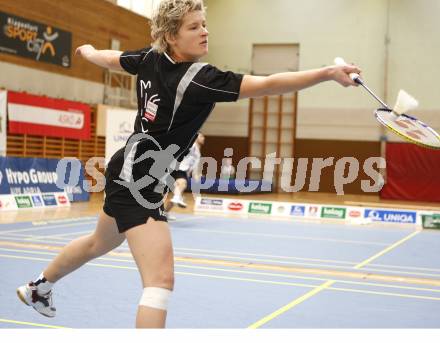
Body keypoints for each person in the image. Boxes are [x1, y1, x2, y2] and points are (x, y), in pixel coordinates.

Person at [16, 0, 360, 328]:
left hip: (127, 168)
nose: (205, 31)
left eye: (205, 24)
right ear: (171, 36)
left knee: (99, 243)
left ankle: (38, 287)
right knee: (159, 281)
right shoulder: (200, 79)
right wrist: (328, 73)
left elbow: (113, 58)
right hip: (141, 181)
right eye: (194, 27)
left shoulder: (151, 58)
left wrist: (89, 52)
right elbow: (269, 85)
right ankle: (39, 287)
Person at [164, 132, 204, 220]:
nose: (203, 138)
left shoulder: (198, 152)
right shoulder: (192, 145)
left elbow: (194, 166)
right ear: (196, 137)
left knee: (177, 193)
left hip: (184, 171)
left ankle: (165, 213)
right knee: (182, 184)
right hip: (177, 167)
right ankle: (177, 198)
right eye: (201, 136)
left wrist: (196, 175)